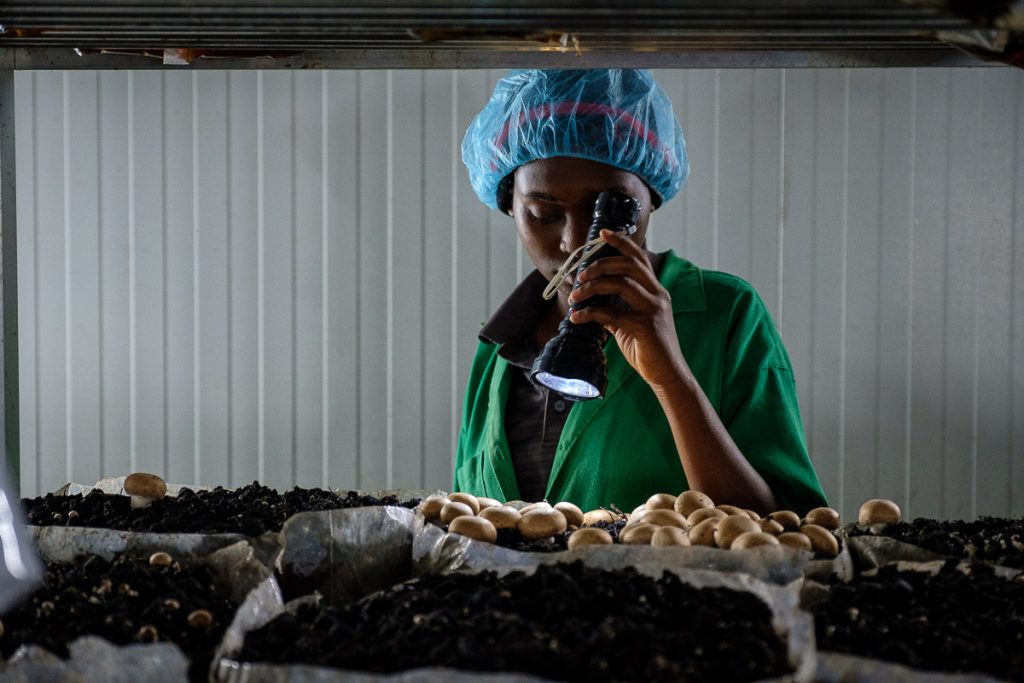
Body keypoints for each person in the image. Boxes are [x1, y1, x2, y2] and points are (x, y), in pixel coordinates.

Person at [455, 69, 827, 516]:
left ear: (651, 195)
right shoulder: (497, 349)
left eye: (607, 210)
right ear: (510, 206)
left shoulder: (725, 316)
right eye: (542, 214)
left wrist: (670, 375)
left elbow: (788, 531)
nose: (576, 242)